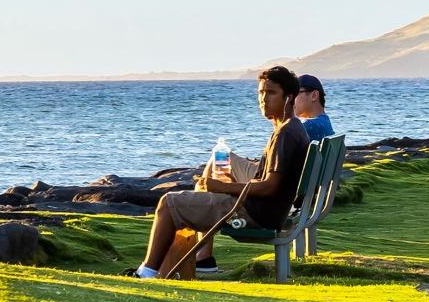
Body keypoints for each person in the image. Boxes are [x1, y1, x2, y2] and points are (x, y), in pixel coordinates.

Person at [135, 67, 310, 279]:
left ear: (289, 98)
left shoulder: (286, 133)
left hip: (254, 213)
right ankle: (172, 274)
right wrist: (229, 186)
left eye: (271, 93)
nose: (263, 99)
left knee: (168, 204)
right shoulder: (291, 128)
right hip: (264, 210)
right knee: (188, 205)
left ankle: (146, 273)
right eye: (261, 93)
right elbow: (267, 183)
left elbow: (269, 187)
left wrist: (223, 187)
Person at [293, 73, 335, 141]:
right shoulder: (325, 121)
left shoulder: (307, 126)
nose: (291, 100)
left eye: (295, 94)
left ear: (314, 95)